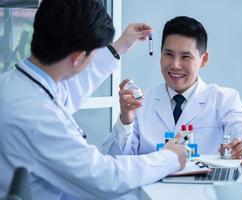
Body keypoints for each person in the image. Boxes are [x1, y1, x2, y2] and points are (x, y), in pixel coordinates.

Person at [0, 1, 187, 199]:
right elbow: (105, 178)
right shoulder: (37, 116)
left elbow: (67, 89)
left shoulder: (14, 84)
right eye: (94, 53)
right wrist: (170, 157)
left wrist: (119, 47)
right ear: (79, 57)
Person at [102, 16, 242, 159]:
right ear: (160, 54)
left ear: (203, 60)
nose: (175, 65)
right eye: (169, 54)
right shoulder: (142, 101)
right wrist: (126, 119)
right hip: (152, 190)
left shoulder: (224, 98)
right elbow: (114, 160)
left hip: (204, 189)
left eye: (185, 56)